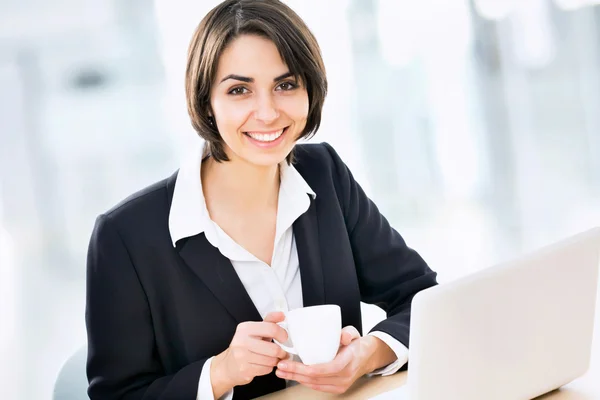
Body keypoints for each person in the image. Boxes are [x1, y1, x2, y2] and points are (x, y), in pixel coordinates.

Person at [85, 0, 438, 399]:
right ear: (206, 103)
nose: (267, 113)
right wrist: (219, 373)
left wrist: (368, 354)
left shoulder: (323, 174)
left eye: (286, 85)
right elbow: (117, 395)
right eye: (239, 90)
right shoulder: (125, 237)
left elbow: (422, 297)